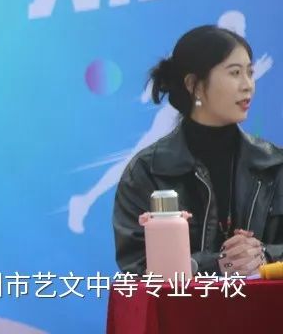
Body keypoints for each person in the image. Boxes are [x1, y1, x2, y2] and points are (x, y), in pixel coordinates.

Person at [113, 25, 283, 277]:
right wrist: (216, 264)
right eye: (235, 73)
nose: (248, 85)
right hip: (186, 303)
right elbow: (137, 267)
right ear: (194, 85)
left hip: (265, 302)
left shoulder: (275, 164)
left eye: (250, 72)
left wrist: (264, 255)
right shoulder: (147, 171)